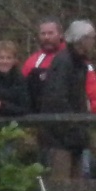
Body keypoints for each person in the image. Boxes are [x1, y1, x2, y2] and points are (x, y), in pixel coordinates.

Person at [40, 21, 95, 182]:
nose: (93, 42)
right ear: (81, 39)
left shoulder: (80, 63)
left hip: (75, 135)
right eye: (91, 38)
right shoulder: (64, 62)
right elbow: (56, 98)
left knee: (77, 183)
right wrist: (73, 126)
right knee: (61, 182)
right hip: (60, 137)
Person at [22, 17, 66, 112]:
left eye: (50, 33)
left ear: (60, 35)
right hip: (39, 115)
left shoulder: (73, 57)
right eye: (43, 34)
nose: (46, 37)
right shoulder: (32, 62)